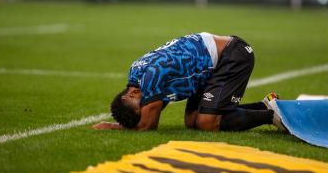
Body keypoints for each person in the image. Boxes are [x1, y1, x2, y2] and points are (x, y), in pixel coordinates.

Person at [93, 32, 285, 132]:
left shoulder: (151, 76)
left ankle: (272, 116)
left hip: (233, 55)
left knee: (207, 123)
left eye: (140, 107)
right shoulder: (136, 71)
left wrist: (114, 126)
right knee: (192, 122)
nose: (146, 109)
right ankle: (264, 105)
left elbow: (147, 126)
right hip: (206, 68)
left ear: (133, 94)